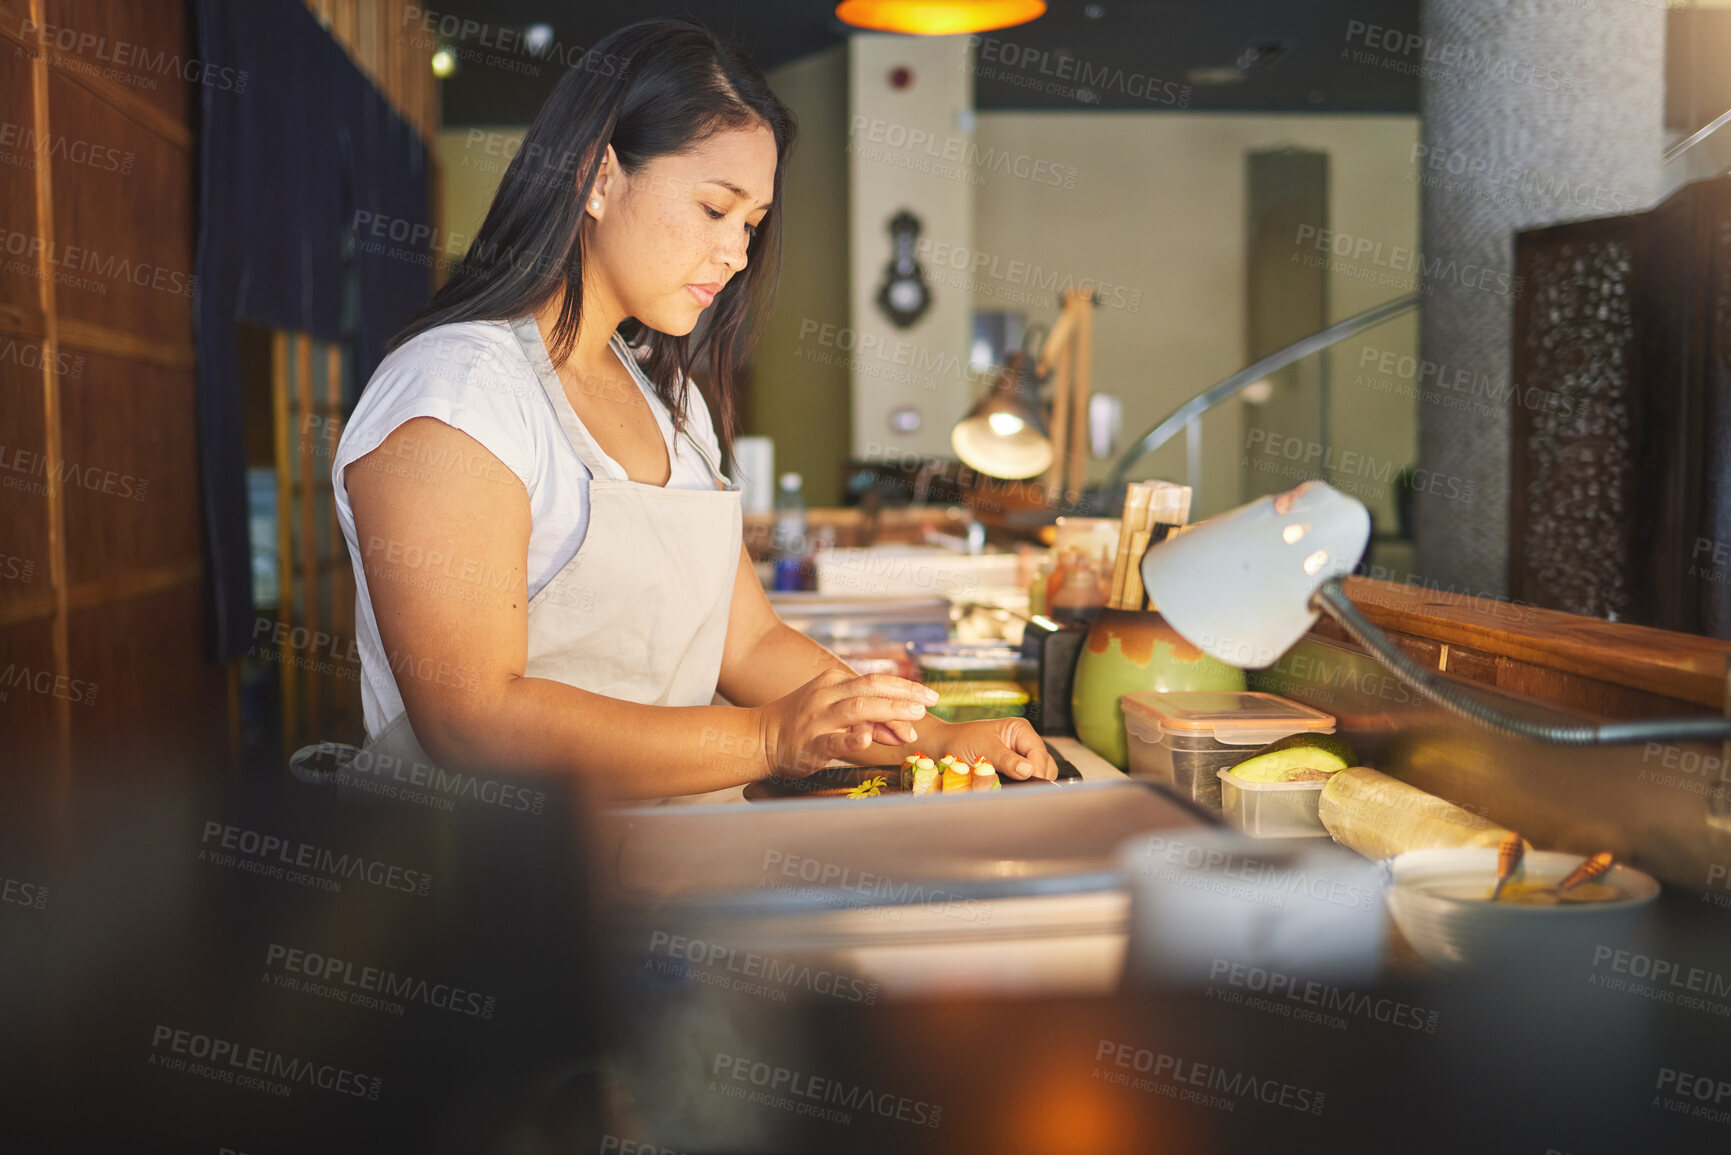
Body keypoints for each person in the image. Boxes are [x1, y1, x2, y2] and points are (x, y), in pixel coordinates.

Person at [330, 17, 1057, 801]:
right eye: (715, 209)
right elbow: (473, 718)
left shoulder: (666, 397)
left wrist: (935, 738)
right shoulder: (459, 390)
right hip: (497, 894)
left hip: (659, 864)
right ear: (596, 178)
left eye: (751, 223)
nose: (737, 253)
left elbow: (749, 641)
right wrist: (771, 738)